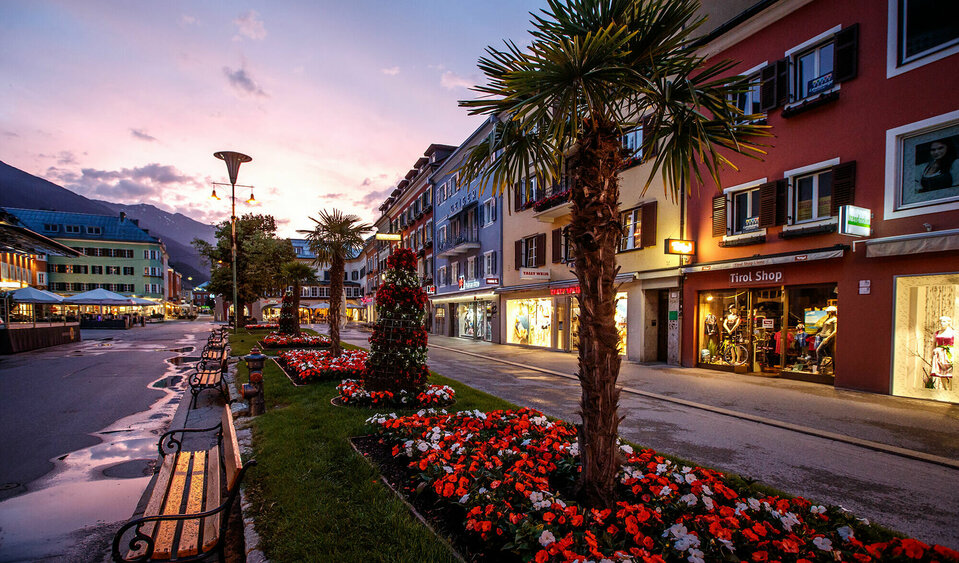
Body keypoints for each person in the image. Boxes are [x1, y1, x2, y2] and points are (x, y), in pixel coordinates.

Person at [931, 316, 954, 390]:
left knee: (951, 373)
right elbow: (933, 344)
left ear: (948, 322)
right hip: (939, 354)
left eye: (944, 321)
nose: (942, 323)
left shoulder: (953, 332)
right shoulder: (937, 333)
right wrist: (932, 353)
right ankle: (946, 390)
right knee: (941, 373)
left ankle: (952, 390)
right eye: (941, 321)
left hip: (949, 354)